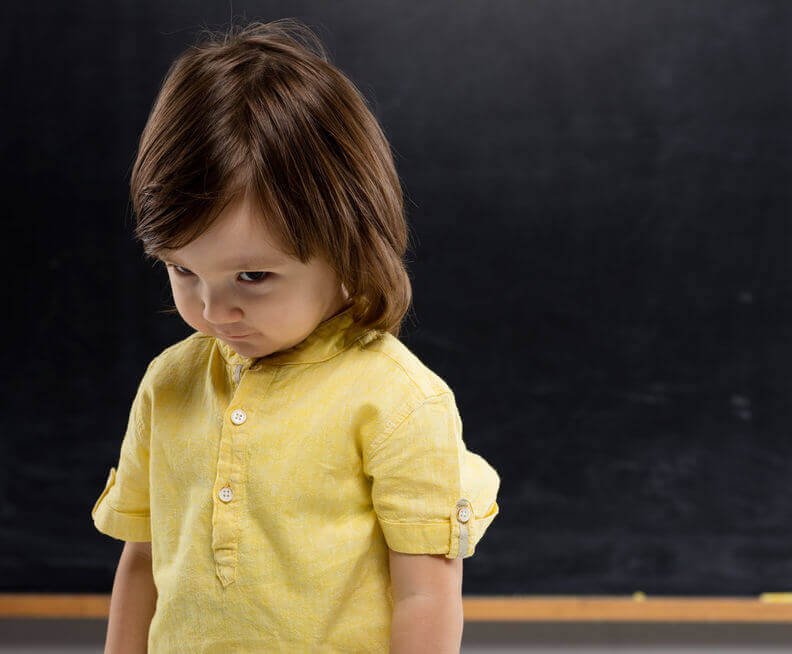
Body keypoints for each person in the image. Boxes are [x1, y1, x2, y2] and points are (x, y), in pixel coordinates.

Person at [90, 18, 500, 654]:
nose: (213, 309)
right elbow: (142, 562)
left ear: (347, 248)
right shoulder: (169, 384)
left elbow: (427, 592)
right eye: (183, 271)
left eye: (253, 276)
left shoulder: (396, 403)